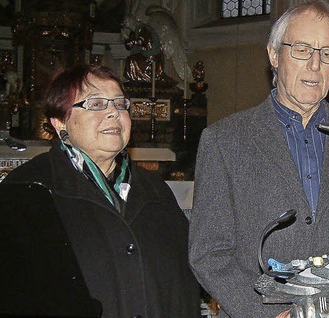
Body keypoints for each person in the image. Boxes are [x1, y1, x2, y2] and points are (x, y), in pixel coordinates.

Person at [188, 1, 329, 317]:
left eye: (328, 54)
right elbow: (209, 252)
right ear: (274, 55)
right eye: (302, 50)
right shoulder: (225, 140)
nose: (315, 65)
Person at [3, 64, 201, 317]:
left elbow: (182, 287)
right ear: (60, 122)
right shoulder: (28, 190)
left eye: (120, 104)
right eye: (96, 104)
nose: (113, 113)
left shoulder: (155, 190)